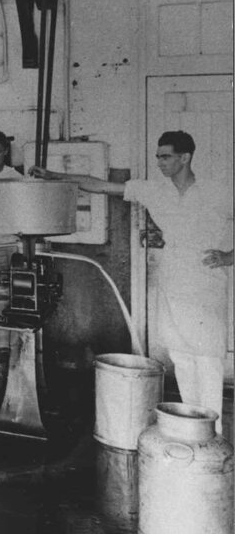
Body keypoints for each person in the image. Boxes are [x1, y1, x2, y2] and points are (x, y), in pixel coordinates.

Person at [32, 130, 233, 432]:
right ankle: (194, 428)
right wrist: (53, 174)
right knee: (181, 356)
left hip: (206, 282)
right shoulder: (156, 191)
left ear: (185, 157)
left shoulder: (216, 191)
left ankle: (214, 431)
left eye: (165, 156)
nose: (159, 162)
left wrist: (229, 256)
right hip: (173, 279)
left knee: (207, 359)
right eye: (158, 156)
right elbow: (101, 186)